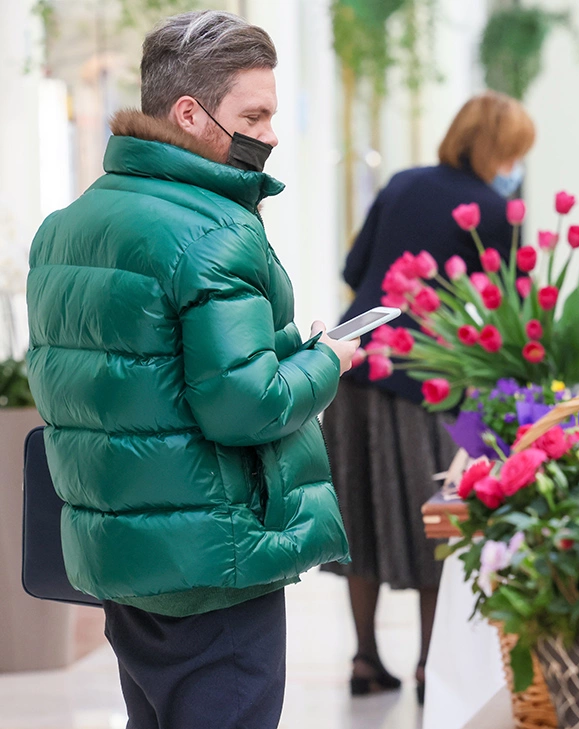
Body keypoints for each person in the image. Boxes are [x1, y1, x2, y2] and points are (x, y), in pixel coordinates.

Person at [24, 11, 357, 729]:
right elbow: (244, 405)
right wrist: (327, 361)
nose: (269, 131)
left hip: (125, 557)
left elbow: (124, 382)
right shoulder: (214, 229)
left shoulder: (67, 227)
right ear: (189, 113)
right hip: (215, 561)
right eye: (254, 113)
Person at [321, 91, 536, 701]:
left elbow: (352, 267)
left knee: (358, 513)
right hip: (427, 376)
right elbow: (514, 308)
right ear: (500, 147)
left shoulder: (402, 184)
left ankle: (365, 658)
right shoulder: (498, 210)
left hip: (353, 358)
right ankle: (426, 664)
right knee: (434, 516)